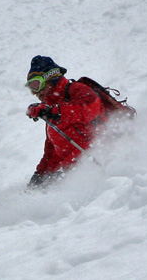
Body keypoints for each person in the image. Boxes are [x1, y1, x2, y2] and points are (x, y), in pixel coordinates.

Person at [24, 55, 105, 189]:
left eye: (36, 85)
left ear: (50, 78)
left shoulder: (76, 90)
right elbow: (52, 151)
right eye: (31, 88)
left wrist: (53, 111)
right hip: (70, 172)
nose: (34, 93)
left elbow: (88, 110)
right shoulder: (53, 110)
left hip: (96, 164)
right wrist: (41, 175)